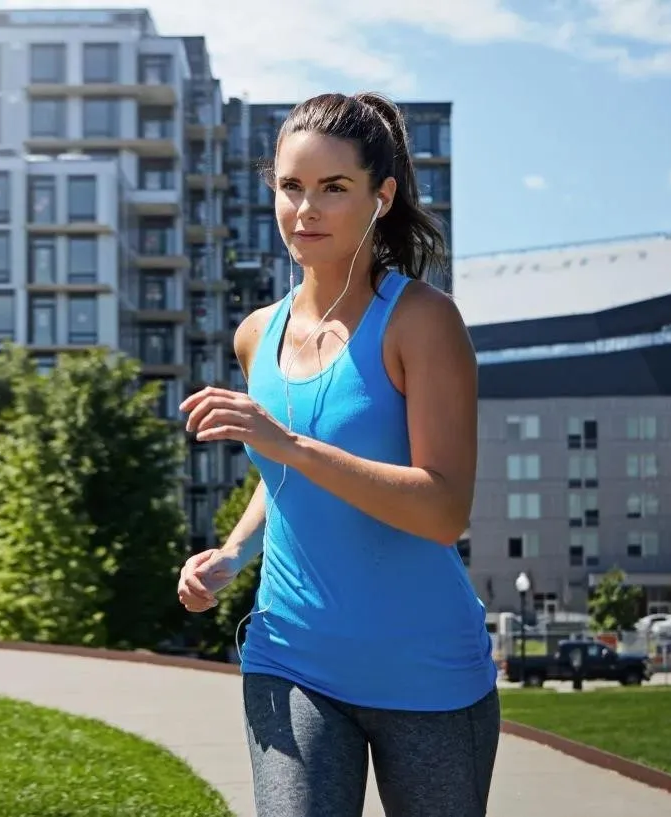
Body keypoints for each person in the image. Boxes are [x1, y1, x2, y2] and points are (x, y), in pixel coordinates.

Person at [177, 91, 499, 817]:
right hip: (290, 656)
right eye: (291, 187)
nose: (305, 210)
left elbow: (443, 508)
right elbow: (284, 474)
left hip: (428, 673)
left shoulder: (422, 322)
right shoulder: (257, 333)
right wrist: (233, 550)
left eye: (333, 188)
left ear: (380, 197)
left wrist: (285, 441)